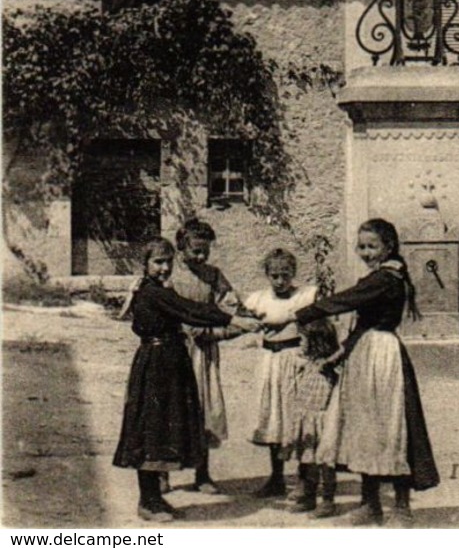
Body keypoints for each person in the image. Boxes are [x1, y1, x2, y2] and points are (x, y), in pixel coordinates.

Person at [282, 219, 438, 526]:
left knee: (392, 427)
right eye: (362, 246)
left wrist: (297, 313)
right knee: (364, 427)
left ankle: (402, 508)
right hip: (364, 354)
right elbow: (361, 322)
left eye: (372, 246)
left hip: (383, 358)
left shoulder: (387, 278)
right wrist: (343, 351)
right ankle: (370, 505)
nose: (365, 252)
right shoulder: (377, 277)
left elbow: (345, 300)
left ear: (388, 247)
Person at [113, 239, 260, 522]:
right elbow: (191, 310)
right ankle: (147, 501)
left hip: (169, 361)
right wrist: (235, 321)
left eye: (168, 261)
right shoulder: (153, 292)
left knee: (164, 426)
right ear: (144, 264)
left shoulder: (154, 290)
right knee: (151, 427)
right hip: (157, 364)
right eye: (157, 262)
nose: (164, 267)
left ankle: (156, 498)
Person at [170, 220, 242, 493]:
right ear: (181, 248)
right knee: (174, 408)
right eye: (195, 251)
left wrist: (216, 329)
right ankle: (165, 472)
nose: (201, 257)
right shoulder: (172, 274)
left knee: (203, 408)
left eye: (205, 251)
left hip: (203, 351)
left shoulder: (213, 276)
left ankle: (203, 473)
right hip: (176, 349)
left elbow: (231, 305)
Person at [241, 248, 319, 498]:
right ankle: (276, 477)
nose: (280, 281)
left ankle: (305, 478)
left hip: (292, 359)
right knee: (273, 415)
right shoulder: (259, 299)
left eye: (285, 275)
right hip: (269, 361)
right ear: (267, 275)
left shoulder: (303, 297)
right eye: (274, 276)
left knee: (296, 416)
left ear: (293, 274)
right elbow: (241, 316)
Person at [281, 317, 341, 518]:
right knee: (305, 461)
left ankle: (328, 501)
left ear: (316, 342)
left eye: (303, 339)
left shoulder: (327, 368)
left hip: (321, 422)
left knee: (325, 463)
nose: (300, 343)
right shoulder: (307, 363)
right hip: (306, 421)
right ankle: (308, 496)